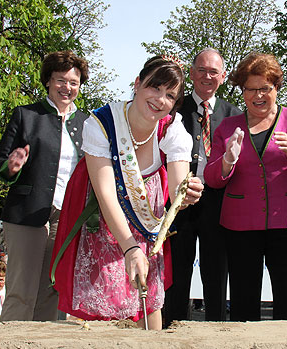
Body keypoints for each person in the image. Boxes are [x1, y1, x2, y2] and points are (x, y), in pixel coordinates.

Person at [52, 55, 203, 330]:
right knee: (104, 290)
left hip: (147, 220)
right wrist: (129, 246)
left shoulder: (172, 127)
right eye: (154, 88)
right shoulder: (101, 122)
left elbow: (178, 184)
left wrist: (187, 194)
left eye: (170, 95)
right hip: (104, 219)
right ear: (137, 84)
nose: (160, 99)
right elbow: (106, 192)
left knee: (148, 294)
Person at [203, 52, 287, 321]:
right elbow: (211, 178)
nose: (258, 96)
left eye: (265, 89)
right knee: (243, 302)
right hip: (240, 228)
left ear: (277, 87)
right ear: (242, 91)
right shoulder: (227, 126)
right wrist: (227, 160)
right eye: (250, 89)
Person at [0, 50, 89, 321]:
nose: (66, 88)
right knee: (21, 290)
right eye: (60, 80)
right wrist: (11, 167)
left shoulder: (86, 123)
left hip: (67, 216)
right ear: (48, 81)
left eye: (73, 82)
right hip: (27, 213)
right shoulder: (26, 115)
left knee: (52, 289)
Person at [163, 48, 241, 325]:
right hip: (179, 203)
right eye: (202, 70)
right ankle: (172, 327)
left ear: (222, 76)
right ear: (192, 73)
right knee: (177, 272)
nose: (207, 77)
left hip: (218, 205)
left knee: (216, 273)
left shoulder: (234, 115)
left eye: (213, 72)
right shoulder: (173, 107)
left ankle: (217, 329)